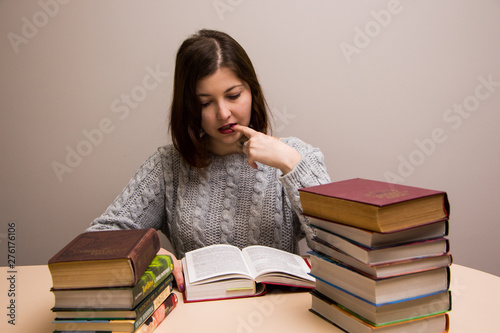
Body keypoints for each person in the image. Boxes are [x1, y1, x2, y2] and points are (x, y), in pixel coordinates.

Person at [87, 29, 331, 292]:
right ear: (190, 107)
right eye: (205, 103)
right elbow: (98, 238)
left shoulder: (294, 157)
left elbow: (342, 250)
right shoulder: (168, 165)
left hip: (278, 314)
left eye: (234, 95)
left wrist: (291, 163)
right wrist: (152, 254)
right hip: (198, 315)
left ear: (252, 91)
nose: (223, 113)